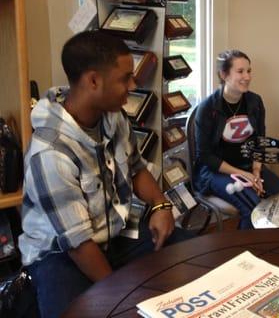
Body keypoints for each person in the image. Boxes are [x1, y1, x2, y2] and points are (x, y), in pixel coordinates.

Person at [18, 30, 191, 318]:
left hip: (113, 235)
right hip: (62, 256)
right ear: (94, 81)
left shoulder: (113, 116)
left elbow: (135, 167)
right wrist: (121, 292)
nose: (133, 84)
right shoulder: (49, 152)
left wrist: (160, 205)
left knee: (192, 253)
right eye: (125, 78)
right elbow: (78, 244)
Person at [194, 50, 279, 229]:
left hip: (249, 168)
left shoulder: (255, 102)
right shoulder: (207, 108)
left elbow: (260, 141)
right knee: (254, 207)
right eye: (240, 71)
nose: (247, 77)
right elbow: (205, 156)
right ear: (224, 75)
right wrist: (244, 175)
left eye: (249, 71)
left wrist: (256, 172)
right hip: (216, 172)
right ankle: (244, 252)